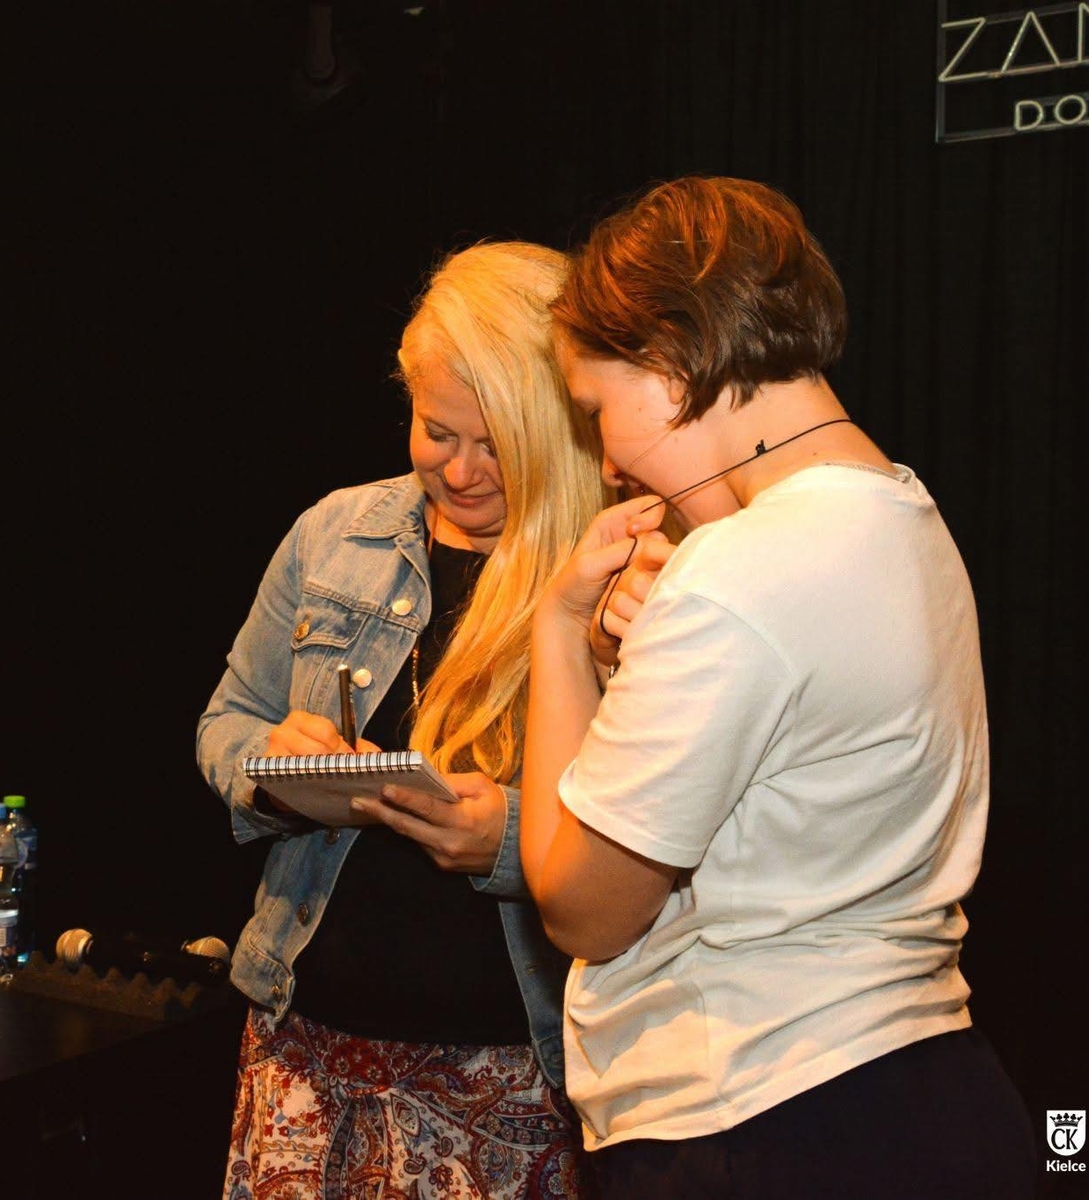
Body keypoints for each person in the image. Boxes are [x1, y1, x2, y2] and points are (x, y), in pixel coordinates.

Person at [512, 176, 1039, 1198]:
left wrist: (560, 635)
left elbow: (582, 910)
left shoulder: (738, 569)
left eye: (596, 411)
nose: (607, 464)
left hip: (766, 1116)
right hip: (921, 1090)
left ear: (670, 362)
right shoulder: (905, 515)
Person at [196, 240, 615, 1199]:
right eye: (436, 431)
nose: (460, 471)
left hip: (510, 1078)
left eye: (496, 443)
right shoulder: (335, 533)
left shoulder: (607, 571)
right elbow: (226, 722)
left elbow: (662, 837)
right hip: (303, 1054)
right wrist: (275, 771)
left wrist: (510, 840)